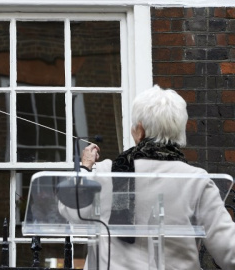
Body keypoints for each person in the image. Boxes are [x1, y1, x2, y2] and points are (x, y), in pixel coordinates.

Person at [58, 85, 235, 269]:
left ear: (140, 130)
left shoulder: (105, 173)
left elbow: (70, 211)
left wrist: (85, 167)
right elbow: (229, 250)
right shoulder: (196, 180)